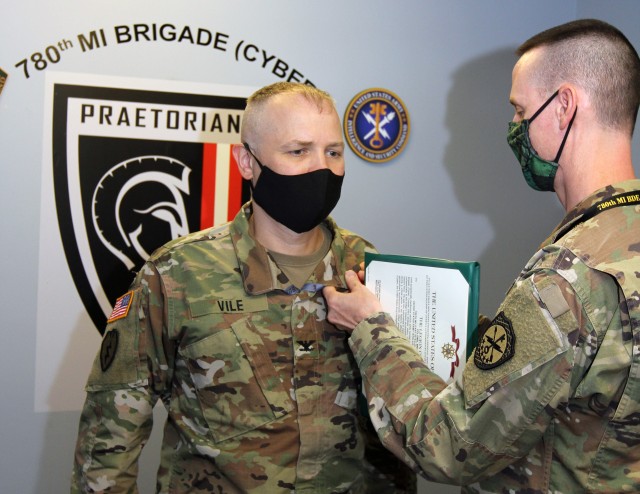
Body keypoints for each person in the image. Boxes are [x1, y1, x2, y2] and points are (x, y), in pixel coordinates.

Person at [323, 18, 640, 493]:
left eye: (520, 110)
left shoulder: (567, 278)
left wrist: (372, 330)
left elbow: (449, 448)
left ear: (565, 106)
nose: (514, 127)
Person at [71, 82, 415, 493]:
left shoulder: (372, 270)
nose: (321, 168)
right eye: (298, 150)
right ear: (246, 162)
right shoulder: (177, 274)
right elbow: (111, 433)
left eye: (334, 152)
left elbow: (409, 417)